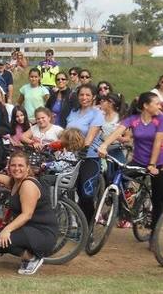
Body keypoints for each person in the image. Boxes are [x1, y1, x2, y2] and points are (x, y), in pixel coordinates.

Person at [98, 91, 163, 249]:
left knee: (158, 199)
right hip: (139, 160)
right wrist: (104, 145)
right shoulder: (133, 120)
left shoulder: (161, 119)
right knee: (119, 178)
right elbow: (117, 132)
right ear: (145, 106)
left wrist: (153, 164)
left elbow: (157, 143)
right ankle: (125, 209)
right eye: (156, 103)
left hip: (158, 162)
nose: (159, 105)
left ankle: (153, 238)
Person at [0, 151, 58, 275]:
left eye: (20, 166)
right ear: (9, 167)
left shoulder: (28, 185)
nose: (17, 169)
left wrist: (7, 229)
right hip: (29, 229)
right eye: (13, 165)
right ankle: (28, 255)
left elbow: (27, 215)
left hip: (42, 233)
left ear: (28, 168)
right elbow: (6, 180)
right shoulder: (16, 182)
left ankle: (32, 258)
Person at [64, 84, 105, 223]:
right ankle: (75, 223)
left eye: (88, 95)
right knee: (65, 191)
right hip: (70, 157)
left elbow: (90, 137)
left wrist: (84, 147)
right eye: (82, 94)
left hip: (89, 157)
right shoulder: (73, 112)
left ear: (93, 97)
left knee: (86, 195)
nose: (84, 97)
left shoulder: (97, 114)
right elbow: (66, 134)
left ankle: (88, 227)